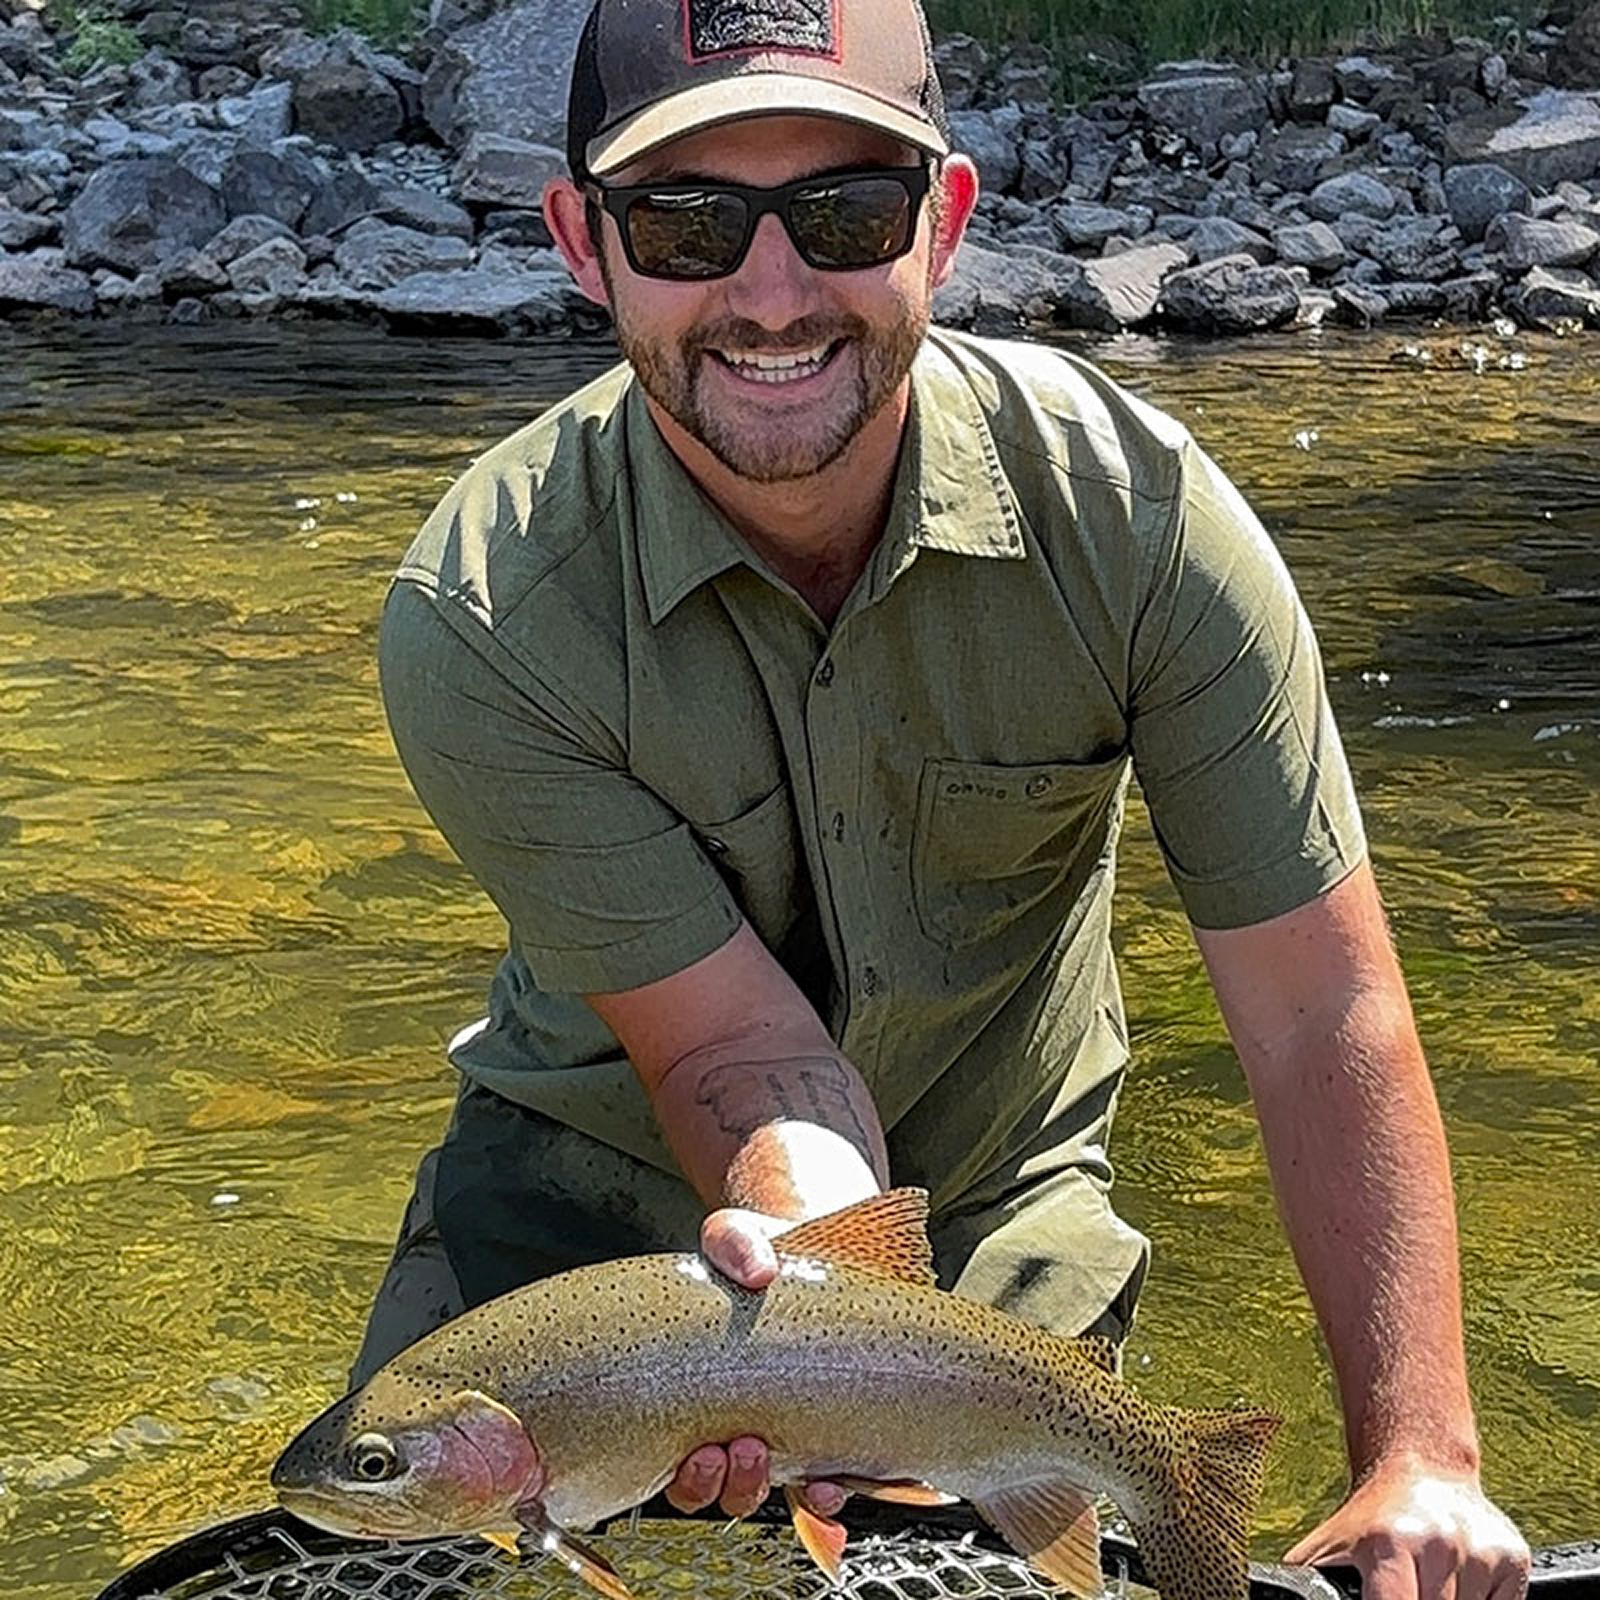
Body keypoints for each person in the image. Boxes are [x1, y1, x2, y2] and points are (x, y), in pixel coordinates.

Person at [355, 0, 1530, 1595]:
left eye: (842, 213)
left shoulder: (1141, 525)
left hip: (994, 1213)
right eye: (688, 223)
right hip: (564, 1231)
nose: (771, 296)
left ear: (945, 224)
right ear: (583, 241)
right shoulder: (485, 610)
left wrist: (1419, 1458)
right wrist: (802, 1291)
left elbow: (1319, 1011)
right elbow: (733, 1050)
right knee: (393, 1515)